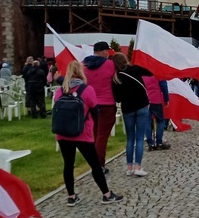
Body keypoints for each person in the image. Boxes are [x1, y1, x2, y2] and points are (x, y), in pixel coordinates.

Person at [54, 60, 123, 205]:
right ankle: (106, 193)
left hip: (63, 133)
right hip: (82, 133)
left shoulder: (60, 91)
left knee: (68, 164)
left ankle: (71, 196)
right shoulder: (87, 90)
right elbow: (94, 111)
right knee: (95, 165)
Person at [112, 53, 151, 177]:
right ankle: (138, 166)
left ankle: (129, 167)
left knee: (130, 138)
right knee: (140, 138)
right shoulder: (135, 70)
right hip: (142, 106)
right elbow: (149, 72)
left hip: (127, 109)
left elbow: (117, 98)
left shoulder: (116, 78)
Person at [83, 41, 117, 170]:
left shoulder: (83, 65)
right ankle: (98, 165)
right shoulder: (110, 65)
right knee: (102, 136)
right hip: (107, 104)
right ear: (104, 52)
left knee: (94, 135)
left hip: (90, 104)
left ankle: (96, 163)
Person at [143, 74, 170, 151]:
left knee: (147, 122)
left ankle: (150, 143)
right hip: (156, 100)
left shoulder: (142, 73)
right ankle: (159, 142)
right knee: (160, 121)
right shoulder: (158, 72)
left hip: (145, 100)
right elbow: (164, 86)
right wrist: (166, 99)